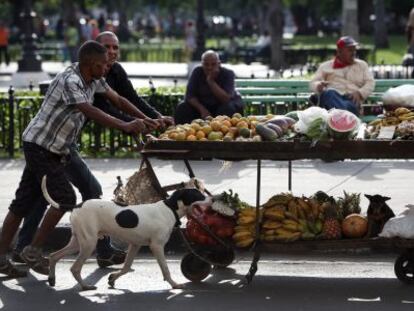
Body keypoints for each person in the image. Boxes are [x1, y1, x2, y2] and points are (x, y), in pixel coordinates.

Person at [11, 31, 173, 267]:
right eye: (106, 49)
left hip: (63, 145)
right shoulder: (78, 77)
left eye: (115, 49)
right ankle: (27, 249)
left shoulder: (107, 73)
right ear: (93, 58)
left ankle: (98, 250)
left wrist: (152, 119)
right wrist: (128, 125)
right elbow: (97, 112)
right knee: (50, 198)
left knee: (74, 191)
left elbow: (125, 99)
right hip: (47, 145)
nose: (111, 55)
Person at [309, 36, 375, 116]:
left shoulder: (362, 65)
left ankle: (339, 117)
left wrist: (360, 93)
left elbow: (370, 82)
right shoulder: (325, 66)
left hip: (351, 101)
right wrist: (318, 85)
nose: (353, 52)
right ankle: (342, 118)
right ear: (339, 52)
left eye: (354, 50)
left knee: (335, 105)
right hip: (332, 98)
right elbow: (313, 82)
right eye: (350, 50)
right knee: (330, 93)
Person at [174, 50, 244, 124]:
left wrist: (210, 81)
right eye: (206, 64)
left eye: (213, 64)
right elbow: (189, 96)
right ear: (202, 64)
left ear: (219, 64)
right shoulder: (197, 72)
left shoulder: (228, 74)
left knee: (228, 108)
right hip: (203, 106)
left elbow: (225, 99)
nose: (209, 67)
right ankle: (184, 132)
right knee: (182, 107)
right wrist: (202, 110)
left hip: (222, 106)